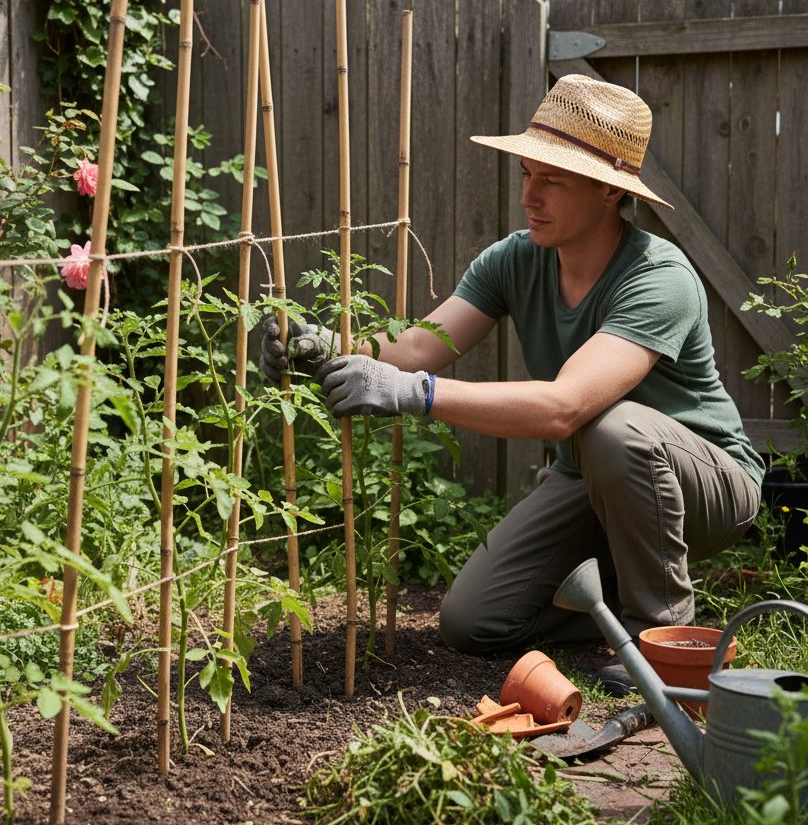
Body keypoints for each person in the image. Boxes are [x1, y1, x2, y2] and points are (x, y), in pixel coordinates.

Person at [259, 74, 764, 695]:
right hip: (593, 478)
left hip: (705, 483)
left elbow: (562, 408)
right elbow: (420, 345)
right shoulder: (515, 259)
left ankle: (660, 640)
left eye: (551, 180)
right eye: (527, 174)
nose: (529, 196)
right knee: (475, 622)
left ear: (609, 190)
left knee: (612, 426)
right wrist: (328, 348)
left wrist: (415, 395)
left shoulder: (660, 277)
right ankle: (621, 599)